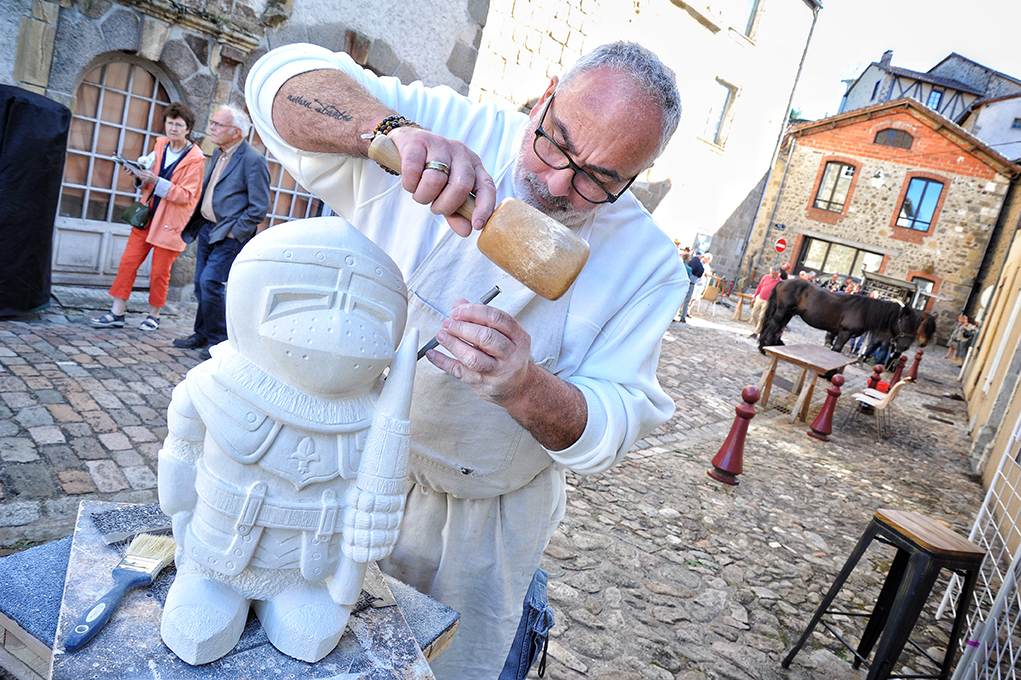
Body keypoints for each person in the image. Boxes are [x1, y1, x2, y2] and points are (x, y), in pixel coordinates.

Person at [246, 40, 684, 680]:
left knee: (446, 668)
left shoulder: (650, 267)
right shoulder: (458, 127)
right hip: (342, 467)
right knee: (301, 643)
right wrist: (390, 134)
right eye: (555, 142)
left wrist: (525, 388)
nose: (559, 182)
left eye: (599, 179)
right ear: (547, 93)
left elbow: (611, 430)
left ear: (637, 175)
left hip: (481, 525)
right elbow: (274, 83)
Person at [90, 103, 205, 331]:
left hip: (171, 223)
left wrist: (155, 181)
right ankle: (117, 313)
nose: (173, 128)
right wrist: (139, 176)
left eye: (178, 125)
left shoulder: (196, 159)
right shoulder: (160, 145)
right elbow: (147, 178)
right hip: (147, 216)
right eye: (170, 123)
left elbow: (186, 195)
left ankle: (154, 315)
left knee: (160, 272)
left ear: (188, 129)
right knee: (128, 263)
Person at [173, 106, 271, 360]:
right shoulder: (220, 153)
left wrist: (234, 233)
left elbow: (259, 207)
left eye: (218, 124)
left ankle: (219, 341)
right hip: (207, 229)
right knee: (200, 284)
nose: (212, 127)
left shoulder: (253, 160)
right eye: (213, 123)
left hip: (228, 234)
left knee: (210, 283)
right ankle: (201, 334)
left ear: (236, 131)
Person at [747, 266, 780, 339]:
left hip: (768, 301)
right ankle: (758, 329)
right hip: (760, 298)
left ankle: (756, 332)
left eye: (774, 274)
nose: (773, 275)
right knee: (753, 315)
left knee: (762, 317)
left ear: (778, 274)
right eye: (772, 273)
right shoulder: (766, 277)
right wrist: (754, 296)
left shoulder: (779, 282)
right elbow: (759, 286)